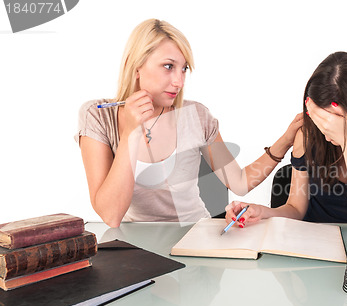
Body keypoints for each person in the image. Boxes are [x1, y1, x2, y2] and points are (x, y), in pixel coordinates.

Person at [75, 19, 302, 227]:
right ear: (136, 67)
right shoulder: (97, 117)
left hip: (194, 235)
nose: (179, 81)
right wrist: (131, 134)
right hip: (135, 245)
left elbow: (239, 182)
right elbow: (111, 215)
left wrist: (286, 140)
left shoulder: (197, 116)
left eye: (184, 69)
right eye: (168, 66)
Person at [225, 52, 347, 236]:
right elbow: (295, 209)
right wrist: (262, 211)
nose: (325, 133)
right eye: (320, 120)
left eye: (332, 122)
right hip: (313, 245)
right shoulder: (308, 133)